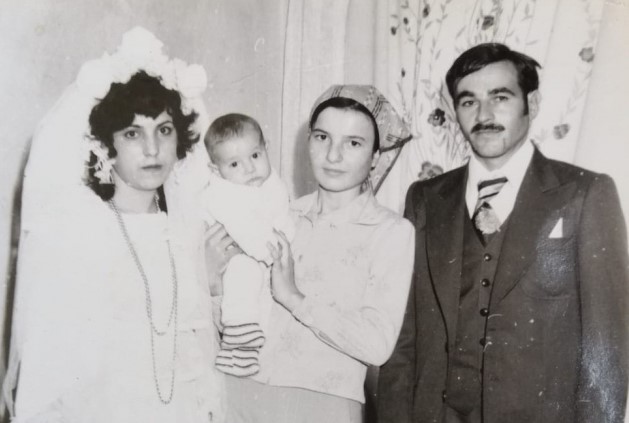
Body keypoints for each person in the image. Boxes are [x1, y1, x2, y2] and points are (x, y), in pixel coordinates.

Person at [377, 42, 628, 423]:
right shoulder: (425, 198)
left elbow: (606, 351)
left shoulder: (585, 194)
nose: (484, 115)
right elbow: (403, 338)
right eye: (468, 101)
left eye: (500, 97)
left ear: (533, 103)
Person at [2, 28, 225, 422]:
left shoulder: (190, 233)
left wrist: (209, 286)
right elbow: (53, 364)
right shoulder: (79, 233)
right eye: (133, 133)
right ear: (107, 145)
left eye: (164, 130)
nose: (153, 149)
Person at [219, 85, 414, 423]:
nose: (333, 155)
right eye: (323, 137)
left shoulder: (391, 231)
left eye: (353, 143)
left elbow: (378, 345)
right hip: (239, 395)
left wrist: (294, 298)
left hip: (322, 406)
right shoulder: (278, 214)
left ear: (375, 157)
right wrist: (212, 283)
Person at [201, 113, 293, 377]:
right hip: (235, 261)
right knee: (244, 273)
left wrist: (285, 238)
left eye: (255, 155)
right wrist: (271, 249)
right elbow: (245, 230)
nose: (249, 168)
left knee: (262, 305)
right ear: (216, 170)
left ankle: (246, 349)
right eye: (234, 164)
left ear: (266, 148)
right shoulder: (221, 193)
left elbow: (282, 216)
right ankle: (238, 337)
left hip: (263, 261)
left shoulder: (271, 184)